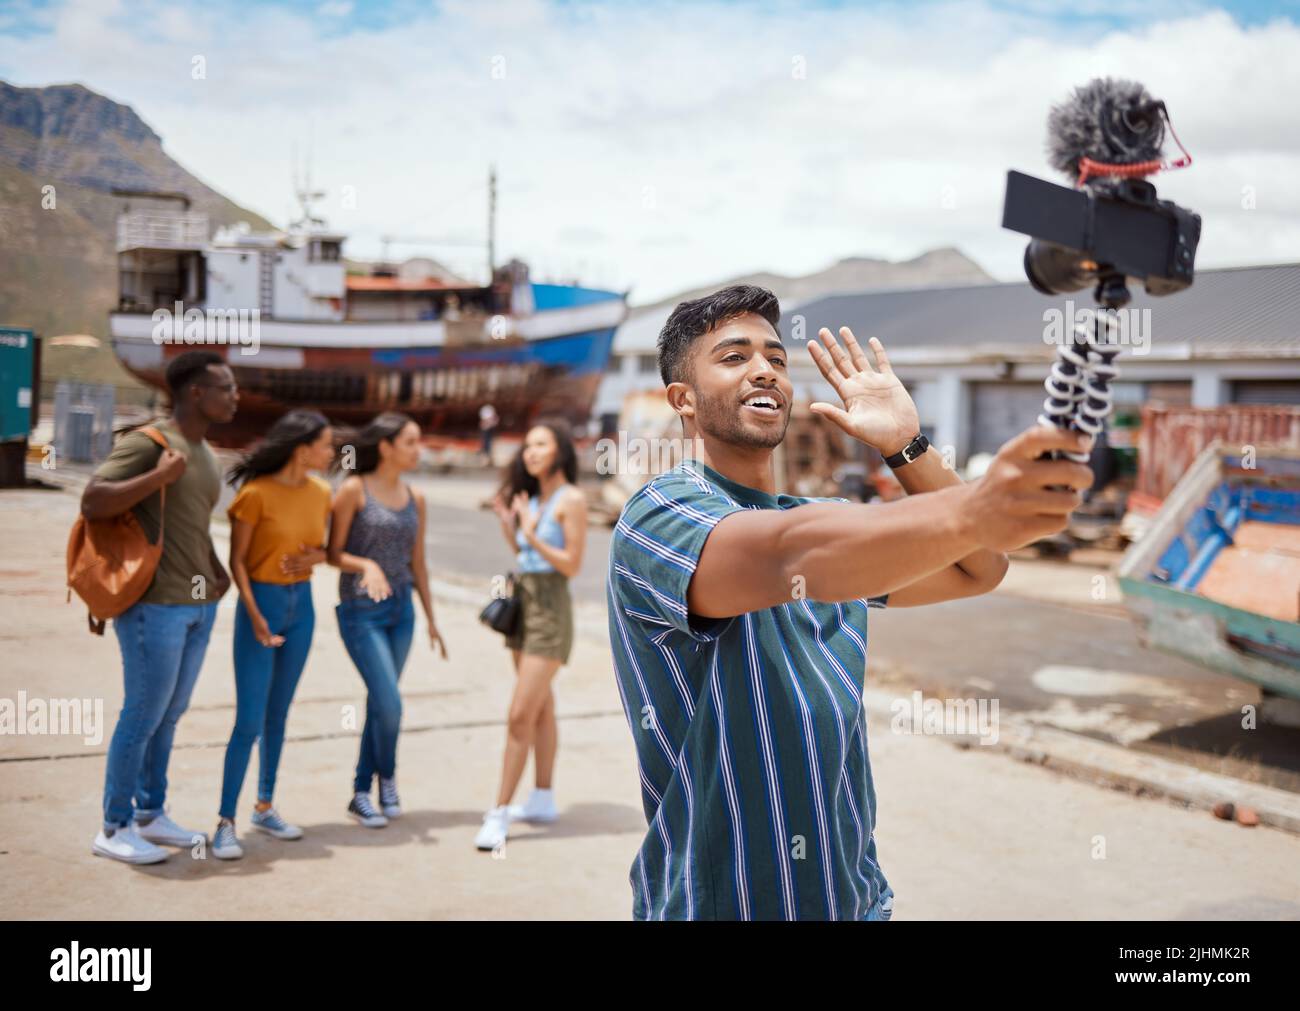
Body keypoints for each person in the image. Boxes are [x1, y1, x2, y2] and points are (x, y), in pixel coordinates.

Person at [607, 285, 1094, 919]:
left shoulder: (825, 521)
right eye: (733, 357)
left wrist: (906, 448)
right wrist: (974, 506)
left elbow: (978, 568)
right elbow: (785, 557)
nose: (764, 370)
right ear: (684, 400)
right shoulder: (662, 514)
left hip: (851, 901)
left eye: (776, 359)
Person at [82, 350, 238, 864]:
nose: (235, 396)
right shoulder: (150, 444)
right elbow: (94, 499)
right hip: (154, 607)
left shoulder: (207, 453)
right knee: (142, 714)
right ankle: (114, 826)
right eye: (226, 388)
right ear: (196, 392)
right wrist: (156, 477)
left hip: (196, 604)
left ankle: (150, 813)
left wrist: (216, 572)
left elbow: (190, 522)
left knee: (169, 715)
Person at [212, 409, 335, 860]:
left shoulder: (322, 492)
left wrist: (314, 560)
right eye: (325, 444)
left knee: (278, 714)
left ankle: (264, 807)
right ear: (302, 449)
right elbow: (238, 561)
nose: (331, 452)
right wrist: (253, 613)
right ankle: (225, 821)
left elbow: (326, 549)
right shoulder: (256, 494)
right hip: (259, 608)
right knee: (248, 720)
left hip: (301, 608)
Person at [328, 412, 447, 828]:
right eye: (411, 442)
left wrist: (432, 619)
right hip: (362, 611)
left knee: (381, 702)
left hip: (402, 611)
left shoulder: (417, 497)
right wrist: (365, 565)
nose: (419, 449)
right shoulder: (353, 491)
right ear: (386, 447)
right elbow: (332, 553)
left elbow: (419, 563)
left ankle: (364, 793)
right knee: (391, 704)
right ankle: (384, 779)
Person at [475, 421, 588, 851]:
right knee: (540, 707)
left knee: (519, 715)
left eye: (540, 444)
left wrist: (530, 529)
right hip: (525, 603)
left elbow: (571, 565)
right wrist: (513, 526)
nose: (530, 452)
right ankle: (542, 797)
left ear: (560, 450)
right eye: (527, 446)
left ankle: (498, 812)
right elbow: (526, 554)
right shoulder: (536, 498)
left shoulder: (571, 499)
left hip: (550, 610)